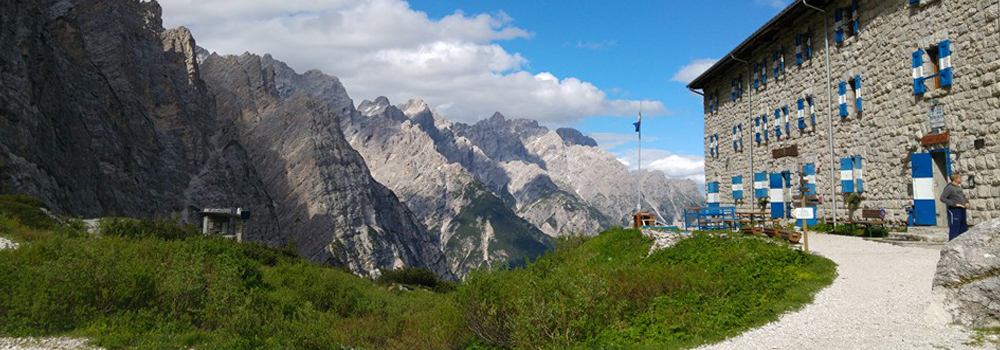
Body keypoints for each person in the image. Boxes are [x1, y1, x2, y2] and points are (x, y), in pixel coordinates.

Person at [940, 172, 969, 240]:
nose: (961, 179)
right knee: (955, 227)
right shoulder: (949, 188)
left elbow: (963, 196)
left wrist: (966, 202)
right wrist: (954, 204)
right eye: (959, 177)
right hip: (954, 210)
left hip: (962, 209)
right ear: (955, 179)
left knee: (963, 226)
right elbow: (942, 198)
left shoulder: (958, 187)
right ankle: (952, 242)